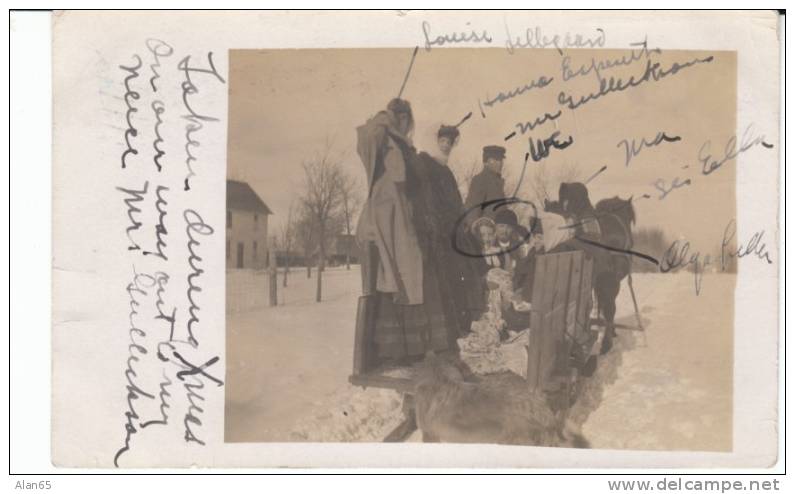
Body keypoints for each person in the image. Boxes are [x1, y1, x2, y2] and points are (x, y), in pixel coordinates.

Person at [355, 99, 449, 362]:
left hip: (408, 219)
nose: (404, 121)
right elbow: (365, 140)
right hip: (388, 219)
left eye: (408, 117)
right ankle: (394, 350)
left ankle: (418, 348)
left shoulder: (406, 146)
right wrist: (382, 118)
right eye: (400, 116)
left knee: (414, 278)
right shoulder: (380, 137)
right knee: (396, 279)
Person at [412, 124, 487, 336]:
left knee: (461, 274)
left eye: (449, 143)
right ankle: (446, 328)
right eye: (442, 142)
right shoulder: (424, 163)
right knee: (442, 278)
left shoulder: (446, 170)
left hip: (452, 230)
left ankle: (462, 322)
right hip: (435, 231)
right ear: (434, 142)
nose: (446, 146)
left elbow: (455, 201)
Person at [463, 145, 508, 228]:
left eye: (501, 160)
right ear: (486, 162)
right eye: (497, 160)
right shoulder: (480, 180)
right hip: (485, 235)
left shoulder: (497, 183)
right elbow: (472, 210)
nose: (501, 163)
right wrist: (477, 232)